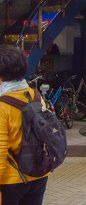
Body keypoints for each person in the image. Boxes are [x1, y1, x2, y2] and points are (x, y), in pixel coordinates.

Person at [0, 45, 48, 204]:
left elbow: (0, 149)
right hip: (39, 174)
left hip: (12, 179)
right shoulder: (35, 95)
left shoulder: (2, 105)